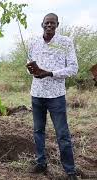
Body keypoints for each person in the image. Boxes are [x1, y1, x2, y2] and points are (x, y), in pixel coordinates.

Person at [26, 13, 78, 180]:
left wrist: (49, 73)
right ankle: (41, 163)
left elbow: (73, 68)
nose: (49, 26)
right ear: (42, 24)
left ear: (57, 24)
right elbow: (29, 65)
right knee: (38, 131)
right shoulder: (34, 42)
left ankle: (70, 171)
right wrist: (31, 70)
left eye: (52, 23)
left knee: (62, 134)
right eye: (46, 23)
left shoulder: (65, 43)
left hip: (56, 96)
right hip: (37, 94)